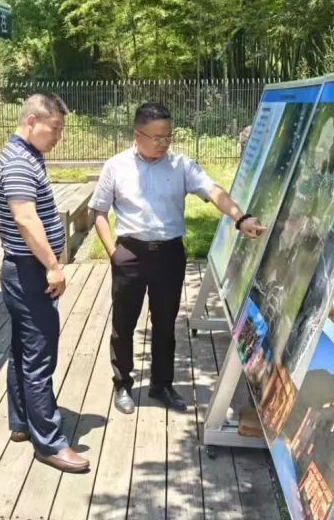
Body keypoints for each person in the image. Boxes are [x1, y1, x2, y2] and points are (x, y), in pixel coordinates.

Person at [91, 102, 265, 415]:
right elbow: (99, 212)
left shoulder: (180, 165)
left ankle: (162, 384)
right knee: (124, 323)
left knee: (165, 323)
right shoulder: (116, 166)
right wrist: (113, 253)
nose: (163, 143)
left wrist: (240, 218)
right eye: (156, 137)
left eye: (168, 136)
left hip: (169, 255)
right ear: (137, 134)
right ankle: (123, 383)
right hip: (129, 253)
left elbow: (213, 191)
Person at [0, 93, 89, 473]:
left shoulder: (26, 155)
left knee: (22, 349)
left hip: (22, 270)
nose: (59, 136)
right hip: (30, 271)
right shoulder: (19, 162)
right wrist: (52, 265)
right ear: (32, 121)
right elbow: (25, 219)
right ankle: (49, 442)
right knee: (39, 356)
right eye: (56, 128)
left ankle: (21, 422)